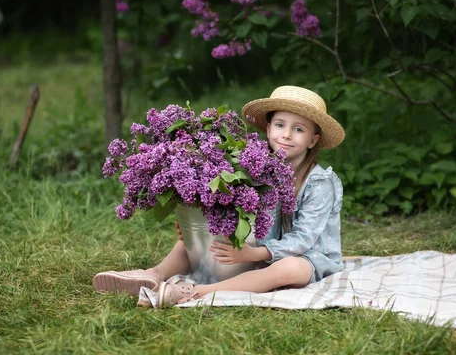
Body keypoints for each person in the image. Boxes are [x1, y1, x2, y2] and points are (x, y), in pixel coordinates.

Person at [93, 85, 345, 308]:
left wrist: (253, 254)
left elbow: (304, 238)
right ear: (268, 129)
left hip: (306, 256)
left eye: (298, 129)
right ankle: (153, 274)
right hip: (260, 245)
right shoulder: (254, 166)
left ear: (313, 140)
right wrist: (197, 230)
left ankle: (199, 291)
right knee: (205, 240)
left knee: (291, 268)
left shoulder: (319, 183)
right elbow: (238, 212)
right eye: (280, 125)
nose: (286, 134)